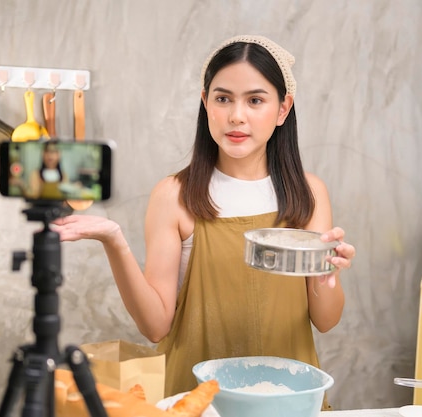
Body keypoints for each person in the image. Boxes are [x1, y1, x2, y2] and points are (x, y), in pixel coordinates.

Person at [52, 35, 356, 406]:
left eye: (255, 100)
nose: (236, 116)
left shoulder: (309, 193)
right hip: (197, 404)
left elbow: (325, 319)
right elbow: (155, 326)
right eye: (223, 98)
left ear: (282, 109)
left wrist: (328, 274)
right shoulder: (173, 196)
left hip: (288, 403)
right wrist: (113, 240)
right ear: (205, 102)